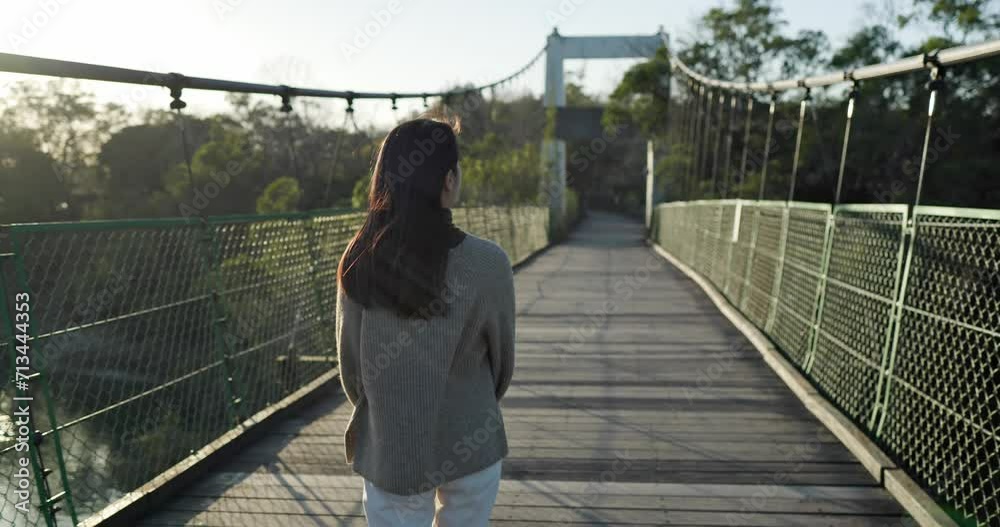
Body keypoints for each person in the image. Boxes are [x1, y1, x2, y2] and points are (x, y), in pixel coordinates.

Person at [335, 117, 516, 526]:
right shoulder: (489, 264)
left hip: (391, 445)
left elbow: (352, 370)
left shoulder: (360, 256)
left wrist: (391, 409)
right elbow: (501, 367)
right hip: (472, 438)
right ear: (448, 180)